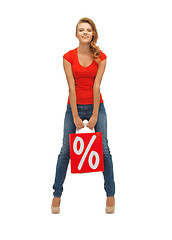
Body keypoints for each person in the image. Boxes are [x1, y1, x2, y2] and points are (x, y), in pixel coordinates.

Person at [51, 17, 115, 214]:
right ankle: (56, 194)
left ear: (93, 33)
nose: (85, 32)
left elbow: (97, 86)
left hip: (97, 106)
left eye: (88, 30)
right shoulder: (68, 57)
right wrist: (76, 114)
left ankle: (110, 195)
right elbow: (71, 86)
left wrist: (95, 114)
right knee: (65, 151)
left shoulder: (101, 57)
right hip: (74, 108)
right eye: (81, 30)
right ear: (76, 34)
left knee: (104, 150)